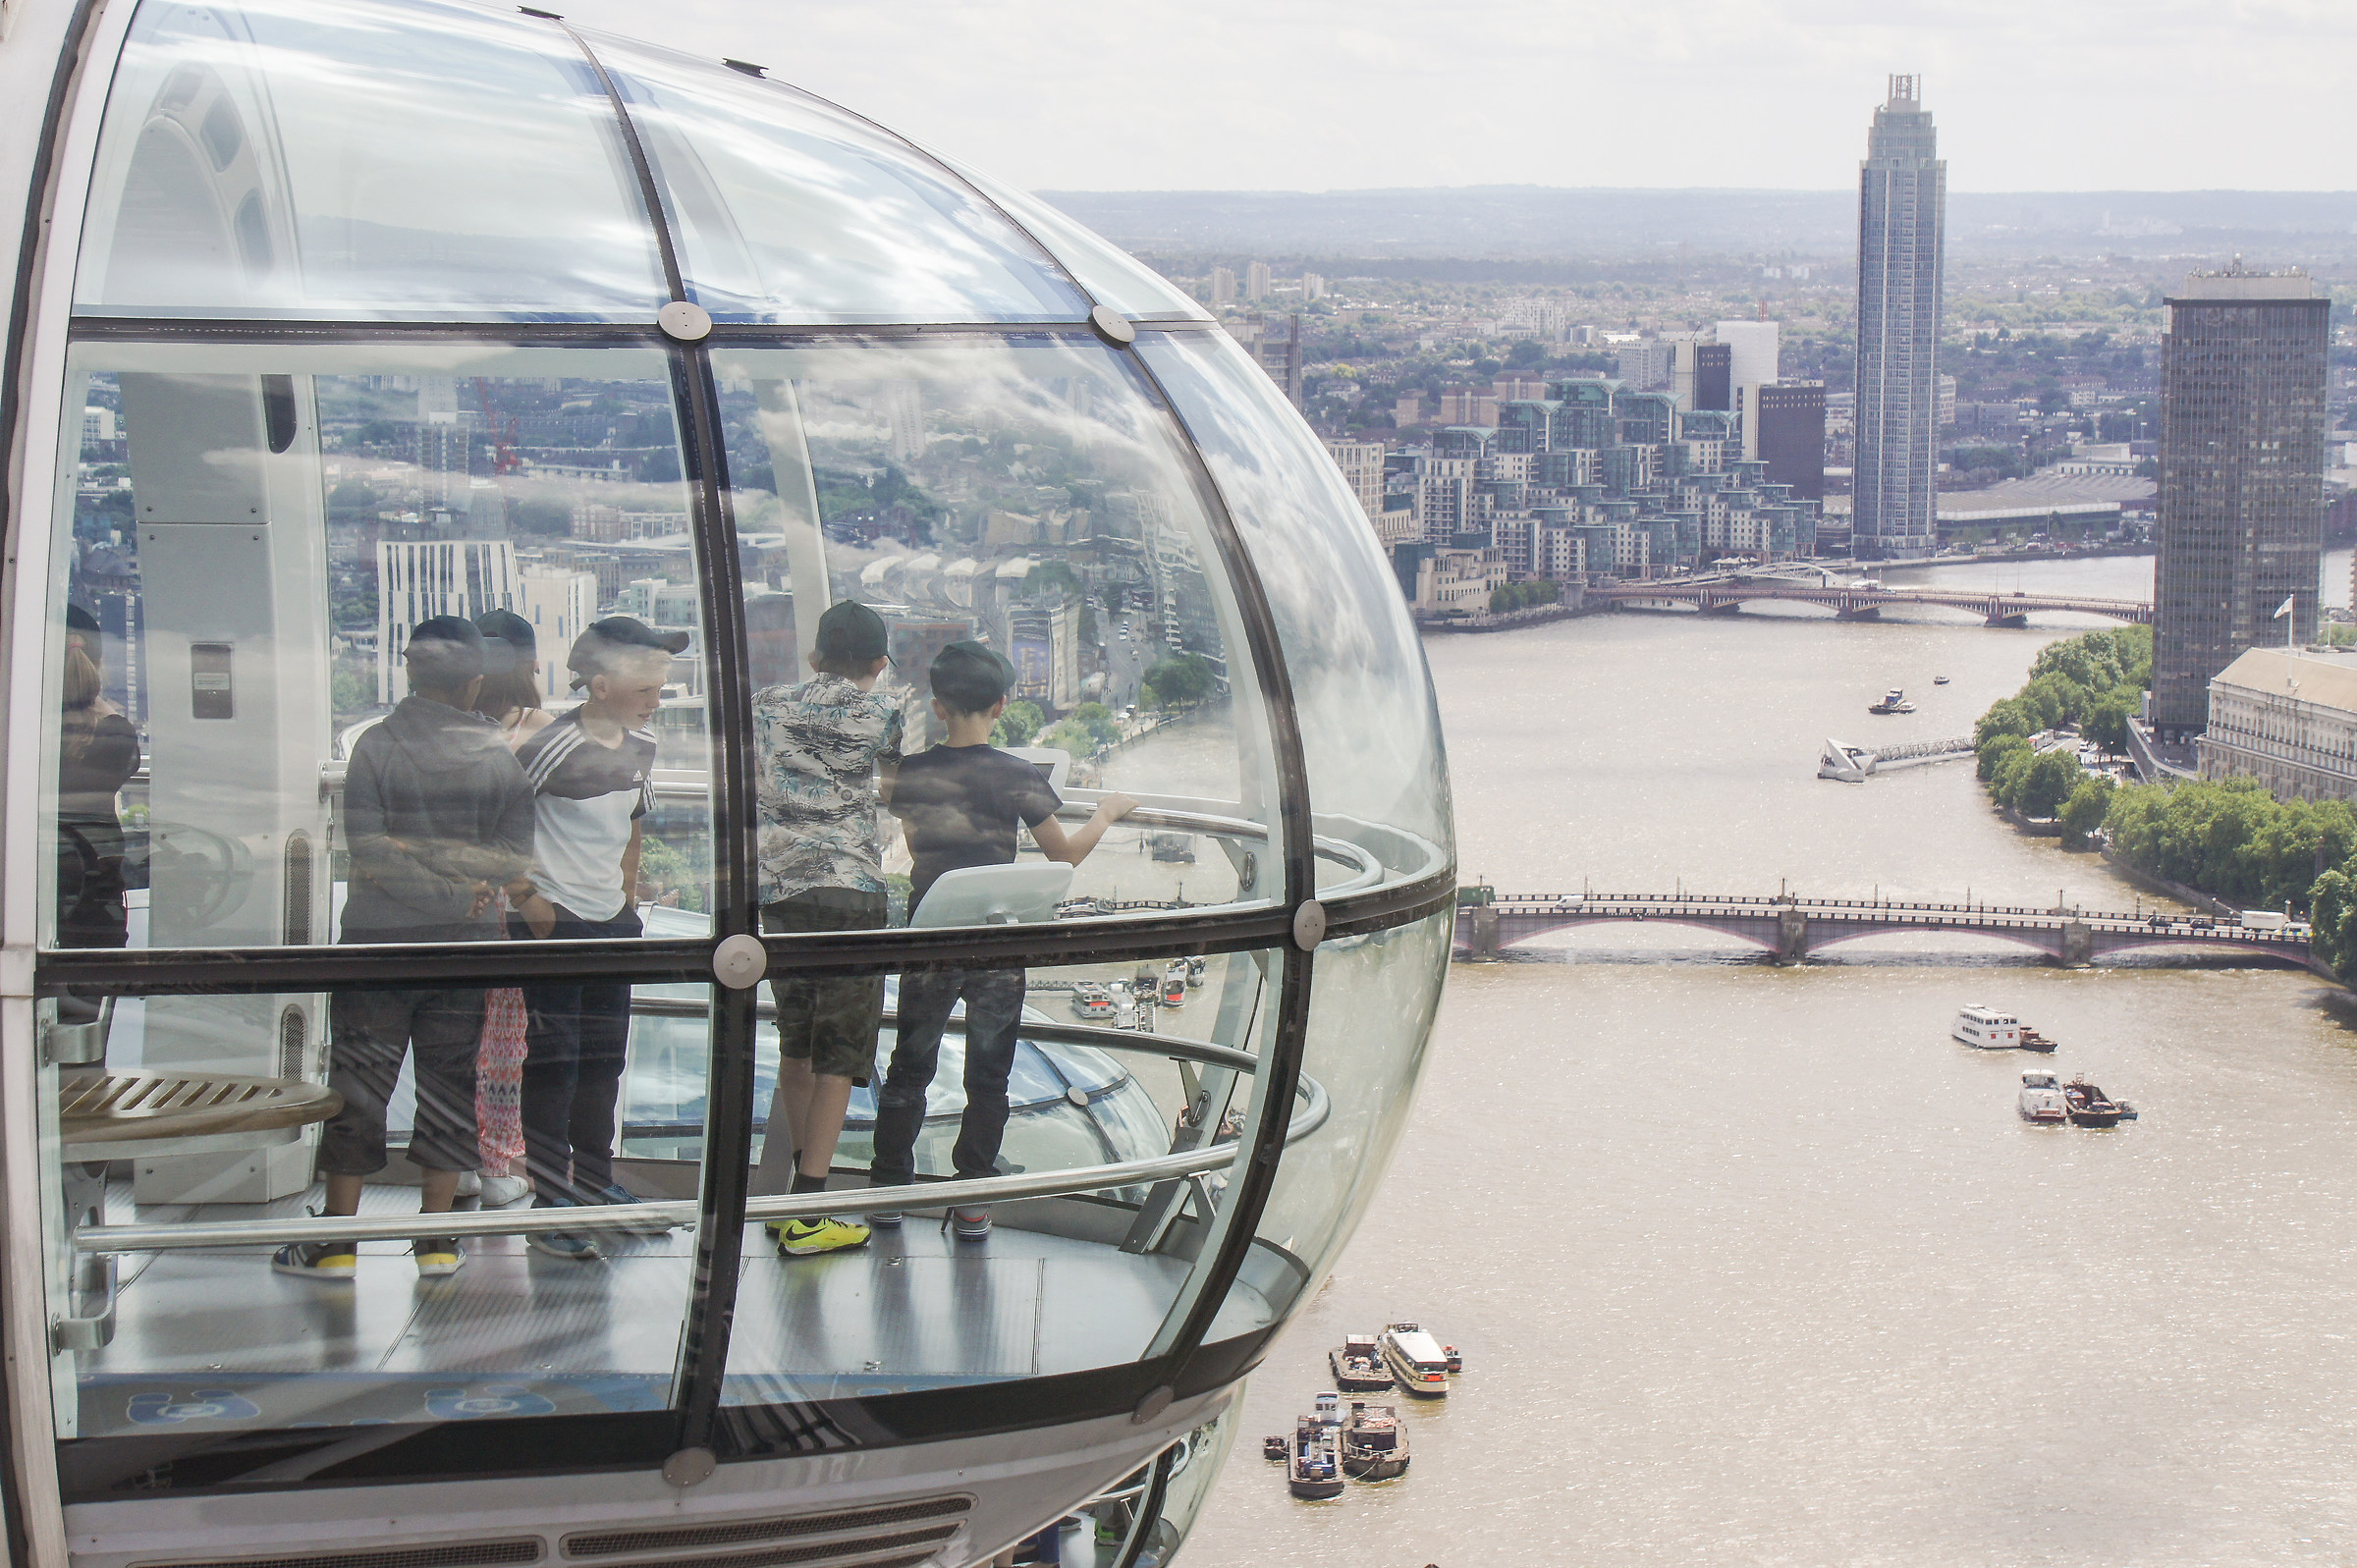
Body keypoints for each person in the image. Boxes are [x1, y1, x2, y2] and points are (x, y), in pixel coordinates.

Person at [278, 617, 533, 1281]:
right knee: (449, 1085)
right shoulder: (498, 755)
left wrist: (433, 887)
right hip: (465, 950)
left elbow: (368, 848)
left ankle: (337, 1239)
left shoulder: (374, 747)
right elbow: (513, 854)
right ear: (475, 683)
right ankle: (437, 1239)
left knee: (358, 1085)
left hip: (378, 945)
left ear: (410, 672)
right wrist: (467, 895)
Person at [871, 641, 1135, 1239]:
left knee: (910, 1068)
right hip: (994, 938)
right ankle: (973, 1199)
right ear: (1001, 705)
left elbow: (881, 788)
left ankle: (888, 1189)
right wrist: (1108, 814)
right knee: (989, 1075)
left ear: (937, 707)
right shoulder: (1017, 775)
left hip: (929, 934)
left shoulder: (910, 775)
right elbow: (1063, 854)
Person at [508, 616, 681, 1261]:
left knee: (604, 1058)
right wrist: (530, 901)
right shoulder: (550, 746)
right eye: (645, 683)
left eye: (660, 684)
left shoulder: (643, 745)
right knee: (556, 1061)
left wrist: (628, 900)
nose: (656, 696)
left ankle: (595, 1180)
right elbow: (495, 820)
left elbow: (634, 825)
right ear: (600, 684)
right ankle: (549, 1198)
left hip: (610, 920)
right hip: (556, 923)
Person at [749, 600, 904, 1257]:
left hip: (781, 890)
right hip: (851, 891)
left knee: (797, 1039)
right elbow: (892, 791)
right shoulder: (884, 712)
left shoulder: (768, 703)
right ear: (877, 662)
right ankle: (811, 1204)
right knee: (842, 1052)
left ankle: (791, 1196)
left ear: (814, 656)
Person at [466, 607, 552, 1209]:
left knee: (454, 1035)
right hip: (518, 900)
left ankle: (455, 1158)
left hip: (453, 897)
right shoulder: (544, 730)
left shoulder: (449, 728)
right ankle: (497, 1160)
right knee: (504, 1039)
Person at [55, 604, 138, 951]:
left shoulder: (27, 733)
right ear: (99, 663)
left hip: (37, 891)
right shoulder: (115, 734)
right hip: (97, 900)